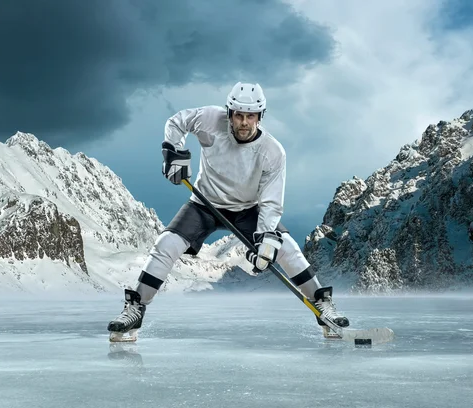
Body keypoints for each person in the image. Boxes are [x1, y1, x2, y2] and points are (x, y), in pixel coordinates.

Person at [107, 82, 349, 341]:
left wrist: (266, 242)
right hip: (203, 204)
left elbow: (270, 202)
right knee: (166, 243)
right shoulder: (210, 119)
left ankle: (322, 306)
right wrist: (173, 151)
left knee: (286, 247)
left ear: (260, 116)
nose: (244, 122)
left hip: (248, 210)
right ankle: (135, 308)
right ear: (229, 112)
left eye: (251, 116)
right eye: (239, 115)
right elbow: (176, 122)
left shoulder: (272, 152)